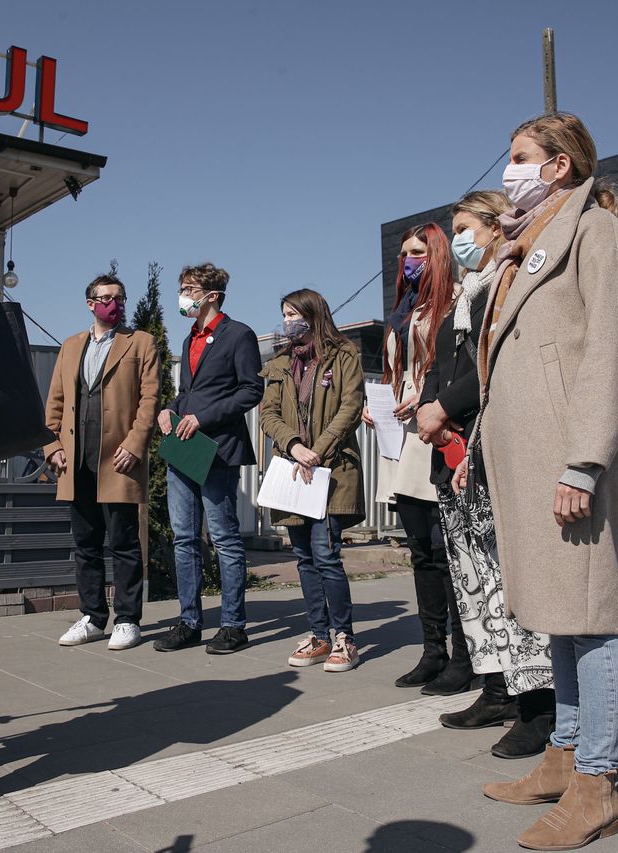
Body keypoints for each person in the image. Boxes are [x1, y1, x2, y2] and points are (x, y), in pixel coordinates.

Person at [475, 114, 618, 850]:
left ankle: (596, 783)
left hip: (568, 458)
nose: (506, 169)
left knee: (591, 614)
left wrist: (583, 459)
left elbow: (612, 352)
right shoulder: (527, 244)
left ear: (558, 167)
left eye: (520, 158)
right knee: (560, 612)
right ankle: (564, 752)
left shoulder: (601, 234)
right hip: (531, 457)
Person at [415, 190, 556, 760]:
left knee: (508, 579)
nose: (462, 239)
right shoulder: (463, 298)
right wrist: (432, 412)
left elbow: (492, 368)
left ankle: (539, 704)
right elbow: (437, 368)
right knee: (475, 582)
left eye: (468, 227)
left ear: (498, 227)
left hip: (491, 448)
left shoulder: (512, 284)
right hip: (454, 457)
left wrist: (443, 408)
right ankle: (497, 687)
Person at [367, 223, 473, 696]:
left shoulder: (455, 300)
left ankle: (466, 653)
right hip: (402, 436)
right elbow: (400, 371)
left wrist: (430, 401)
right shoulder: (404, 310)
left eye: (417, 253)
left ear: (436, 255)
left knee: (447, 549)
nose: (408, 261)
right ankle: (433, 651)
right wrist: (381, 402)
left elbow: (459, 366)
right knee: (422, 552)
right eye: (404, 254)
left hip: (441, 431)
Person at [45, 274, 160, 651]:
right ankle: (93, 617)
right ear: (90, 303)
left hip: (119, 459)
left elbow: (149, 399)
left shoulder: (140, 342)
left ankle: (128, 619)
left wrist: (135, 443)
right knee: (86, 544)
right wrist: (53, 447)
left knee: (125, 542)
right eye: (107, 297)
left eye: (120, 298)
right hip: (76, 462)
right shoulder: (70, 345)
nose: (115, 304)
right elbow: (55, 404)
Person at [153, 263, 263, 654]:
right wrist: (170, 408)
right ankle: (189, 622)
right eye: (182, 288)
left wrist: (204, 417)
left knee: (224, 539)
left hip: (217, 450)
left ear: (211, 295)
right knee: (184, 539)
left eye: (189, 289)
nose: (183, 296)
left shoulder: (240, 335)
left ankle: (234, 625)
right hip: (184, 450)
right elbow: (189, 393)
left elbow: (251, 391)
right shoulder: (189, 339)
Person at [259, 288, 365, 672]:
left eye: (294, 313)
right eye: (284, 314)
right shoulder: (280, 363)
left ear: (313, 314)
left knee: (326, 555)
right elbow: (268, 413)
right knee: (303, 556)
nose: (288, 321)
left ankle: (344, 637)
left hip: (330, 469)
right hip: (293, 468)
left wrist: (317, 449)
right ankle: (318, 634)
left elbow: (351, 406)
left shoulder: (344, 355)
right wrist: (293, 445)